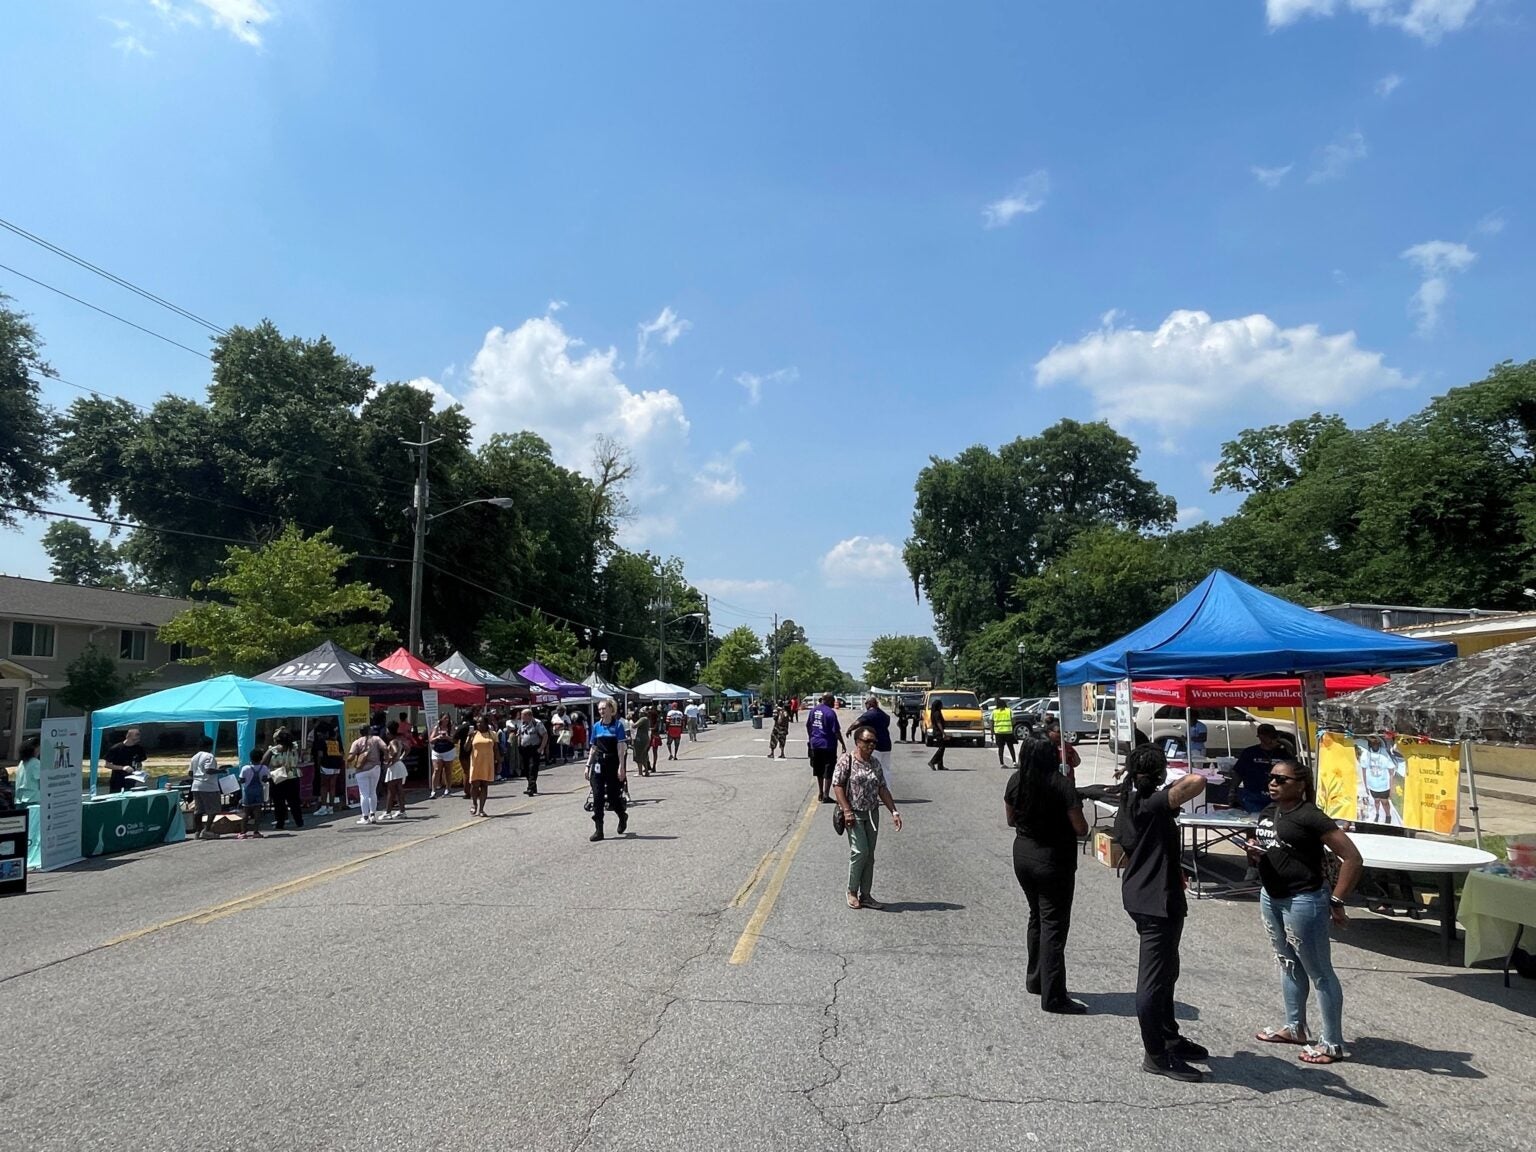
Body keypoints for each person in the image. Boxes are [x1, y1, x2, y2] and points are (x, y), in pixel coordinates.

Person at [1246, 759, 1363, 1066]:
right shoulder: (1268, 812)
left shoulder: (1310, 816)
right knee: (1287, 963)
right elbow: (1275, 851)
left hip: (1304, 900)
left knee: (1320, 972)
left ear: (1300, 785)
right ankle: (1295, 1027)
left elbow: (1351, 857)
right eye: (1271, 777)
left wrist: (1337, 901)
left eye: (1281, 780)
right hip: (1271, 896)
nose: (1273, 783)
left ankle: (1332, 1043)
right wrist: (1254, 852)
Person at [1117, 744, 1209, 1082]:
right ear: (1158, 773)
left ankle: (1170, 1036)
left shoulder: (1130, 795)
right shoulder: (1151, 803)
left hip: (1151, 893)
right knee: (1153, 981)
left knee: (1168, 971)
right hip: (1155, 900)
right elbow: (1197, 780)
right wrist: (1169, 781)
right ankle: (1156, 1054)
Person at [1006, 736, 1089, 1013]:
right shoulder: (1061, 784)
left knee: (1036, 917)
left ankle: (1036, 978)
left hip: (1024, 854)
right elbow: (1080, 828)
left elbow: (1010, 819)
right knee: (1054, 924)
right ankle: (1053, 995)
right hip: (1054, 859)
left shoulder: (1016, 781)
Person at [832, 725, 904, 910]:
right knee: (860, 852)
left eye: (874, 742)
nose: (871, 745)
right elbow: (838, 785)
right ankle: (851, 891)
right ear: (857, 742)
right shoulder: (846, 760)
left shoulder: (874, 763)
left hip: (872, 813)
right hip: (853, 813)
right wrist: (846, 810)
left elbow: (882, 788)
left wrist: (894, 811)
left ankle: (866, 895)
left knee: (870, 856)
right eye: (867, 741)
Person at [586, 698, 629, 841]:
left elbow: (621, 748)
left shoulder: (618, 726)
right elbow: (593, 747)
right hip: (598, 763)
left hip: (612, 762)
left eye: (604, 708)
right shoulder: (596, 726)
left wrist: (621, 768)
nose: (601, 711)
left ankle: (622, 816)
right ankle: (599, 830)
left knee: (612, 797)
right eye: (599, 709)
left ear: (611, 709)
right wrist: (587, 765)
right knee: (597, 796)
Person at [1230, 724, 1289, 814]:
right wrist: (1233, 790)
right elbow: (1238, 772)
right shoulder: (1250, 752)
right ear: (1261, 737)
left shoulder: (1284, 753)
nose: (1273, 739)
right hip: (1254, 795)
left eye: (1274, 737)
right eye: (1269, 737)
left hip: (1277, 795)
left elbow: (1293, 769)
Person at [807, 692, 846, 802]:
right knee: (828, 770)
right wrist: (842, 743)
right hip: (828, 745)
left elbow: (808, 726)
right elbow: (836, 731)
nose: (834, 703)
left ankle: (820, 792)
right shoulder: (830, 713)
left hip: (815, 744)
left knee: (818, 769)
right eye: (833, 700)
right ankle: (826, 794)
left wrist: (811, 738)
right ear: (828, 700)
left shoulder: (813, 710)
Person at [263, 729, 304, 831]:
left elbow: (263, 763)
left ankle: (280, 823)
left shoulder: (273, 750)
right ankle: (299, 821)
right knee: (294, 801)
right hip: (293, 775)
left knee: (279, 802)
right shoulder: (294, 748)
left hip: (278, 777)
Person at [348, 722, 387, 825]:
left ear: (360, 732)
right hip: (375, 768)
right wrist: (386, 756)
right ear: (370, 730)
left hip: (362, 770)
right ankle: (373, 815)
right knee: (372, 792)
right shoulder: (376, 739)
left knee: (364, 794)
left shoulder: (356, 742)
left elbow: (350, 758)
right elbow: (385, 747)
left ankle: (365, 817)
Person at [851, 696, 894, 787]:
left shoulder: (870, 713)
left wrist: (849, 730)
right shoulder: (884, 715)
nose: (866, 706)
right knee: (885, 769)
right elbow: (887, 722)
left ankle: (874, 791)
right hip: (886, 745)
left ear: (870, 704)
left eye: (866, 704)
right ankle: (887, 790)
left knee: (872, 768)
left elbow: (857, 723)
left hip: (874, 746)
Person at [188, 736, 222, 839]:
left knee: (199, 810)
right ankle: (207, 830)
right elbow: (208, 770)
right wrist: (221, 771)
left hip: (196, 786)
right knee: (214, 809)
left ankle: (198, 831)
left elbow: (190, 773)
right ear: (209, 746)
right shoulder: (209, 756)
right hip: (209, 786)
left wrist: (197, 775)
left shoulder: (194, 757)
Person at [311, 721, 345, 815]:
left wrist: (318, 766)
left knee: (324, 786)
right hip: (336, 765)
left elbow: (320, 755)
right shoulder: (336, 741)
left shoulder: (321, 742)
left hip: (326, 765)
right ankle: (331, 807)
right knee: (332, 786)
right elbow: (341, 753)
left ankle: (323, 806)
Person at [466, 718, 496, 817]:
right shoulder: (474, 734)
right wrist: (469, 738)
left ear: (486, 723)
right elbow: (466, 748)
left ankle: (482, 809)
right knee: (475, 784)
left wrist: (499, 762)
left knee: (484, 785)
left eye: (481, 722)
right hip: (476, 763)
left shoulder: (492, 734)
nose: (479, 724)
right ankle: (474, 803)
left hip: (487, 763)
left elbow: (496, 749)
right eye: (477, 722)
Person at [103, 728, 147, 793]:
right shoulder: (116, 748)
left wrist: (139, 770)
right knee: (116, 798)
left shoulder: (139, 748)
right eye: (136, 735)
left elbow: (139, 761)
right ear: (128, 736)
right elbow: (107, 765)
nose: (138, 737)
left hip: (131, 779)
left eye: (139, 735)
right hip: (117, 780)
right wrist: (123, 768)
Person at [381, 720, 409, 820]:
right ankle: (402, 811)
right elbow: (407, 748)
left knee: (391, 790)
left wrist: (391, 760)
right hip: (399, 765)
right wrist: (401, 757)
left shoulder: (393, 742)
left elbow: (395, 751)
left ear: (388, 731)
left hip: (394, 766)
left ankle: (388, 812)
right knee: (399, 790)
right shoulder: (399, 740)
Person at [517, 708, 548, 795]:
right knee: (526, 769)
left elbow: (545, 735)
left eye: (523, 715)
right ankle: (533, 787)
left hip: (534, 748)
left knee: (532, 768)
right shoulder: (522, 723)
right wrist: (519, 746)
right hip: (524, 749)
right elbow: (519, 734)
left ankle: (530, 788)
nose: (521, 717)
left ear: (529, 715)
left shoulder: (537, 723)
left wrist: (541, 748)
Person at [237, 757, 269, 839]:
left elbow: (241, 780)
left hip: (248, 793)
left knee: (246, 813)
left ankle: (243, 832)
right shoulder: (264, 768)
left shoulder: (246, 768)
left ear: (251, 758)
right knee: (257, 813)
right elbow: (265, 779)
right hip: (259, 792)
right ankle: (256, 832)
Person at [428, 715, 458, 798]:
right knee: (437, 769)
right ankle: (433, 791)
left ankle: (448, 789)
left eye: (448, 718)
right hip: (437, 751)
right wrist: (438, 737)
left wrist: (447, 737)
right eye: (445, 718)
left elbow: (454, 740)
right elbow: (431, 740)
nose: (447, 720)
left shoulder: (451, 727)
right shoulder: (436, 728)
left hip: (448, 750)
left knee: (448, 770)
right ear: (441, 719)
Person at [11, 740, 41, 811]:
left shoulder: (21, 763)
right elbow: (42, 780)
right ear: (34, 749)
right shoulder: (35, 763)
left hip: (19, 799)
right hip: (32, 799)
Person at [994, 699, 1018, 768]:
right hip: (1008, 731)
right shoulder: (1009, 711)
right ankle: (1014, 762)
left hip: (998, 732)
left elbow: (991, 722)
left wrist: (992, 733)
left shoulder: (994, 712)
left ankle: (1002, 763)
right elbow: (1013, 721)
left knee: (1001, 748)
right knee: (1011, 747)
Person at [926, 699, 947, 771]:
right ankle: (932, 761)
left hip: (937, 731)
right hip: (938, 732)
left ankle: (940, 765)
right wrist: (943, 732)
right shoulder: (937, 713)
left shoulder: (934, 712)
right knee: (942, 748)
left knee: (942, 748)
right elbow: (939, 723)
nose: (942, 706)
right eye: (941, 704)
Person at [632, 708, 654, 776]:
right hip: (644, 738)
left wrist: (630, 720)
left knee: (638, 755)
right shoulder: (646, 719)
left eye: (640, 712)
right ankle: (646, 771)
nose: (639, 714)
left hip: (640, 739)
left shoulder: (643, 719)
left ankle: (640, 772)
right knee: (643, 755)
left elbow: (634, 726)